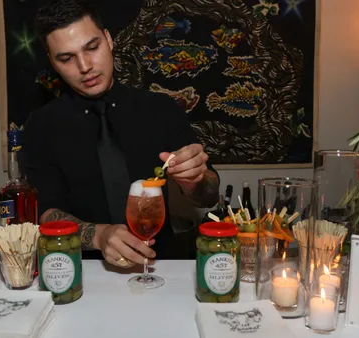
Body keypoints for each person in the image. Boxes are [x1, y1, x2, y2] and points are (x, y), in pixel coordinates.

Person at [24, 0, 220, 269]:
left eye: (92, 48)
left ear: (108, 40)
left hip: (159, 268)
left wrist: (194, 182)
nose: (85, 67)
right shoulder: (41, 125)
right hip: (81, 273)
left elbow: (208, 196)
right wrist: (100, 235)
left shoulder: (161, 108)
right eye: (67, 58)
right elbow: (45, 213)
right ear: (52, 63)